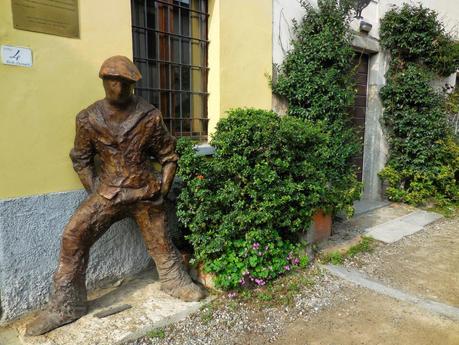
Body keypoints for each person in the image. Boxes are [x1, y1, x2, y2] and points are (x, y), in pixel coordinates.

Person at [25, 56, 206, 336]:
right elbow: (81, 159)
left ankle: (174, 282)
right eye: (112, 81)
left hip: (144, 191)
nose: (118, 88)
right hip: (107, 193)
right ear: (103, 82)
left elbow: (169, 157)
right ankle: (66, 304)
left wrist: (163, 189)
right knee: (73, 236)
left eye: (125, 83)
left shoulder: (149, 117)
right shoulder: (88, 119)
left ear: (133, 84)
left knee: (160, 239)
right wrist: (96, 190)